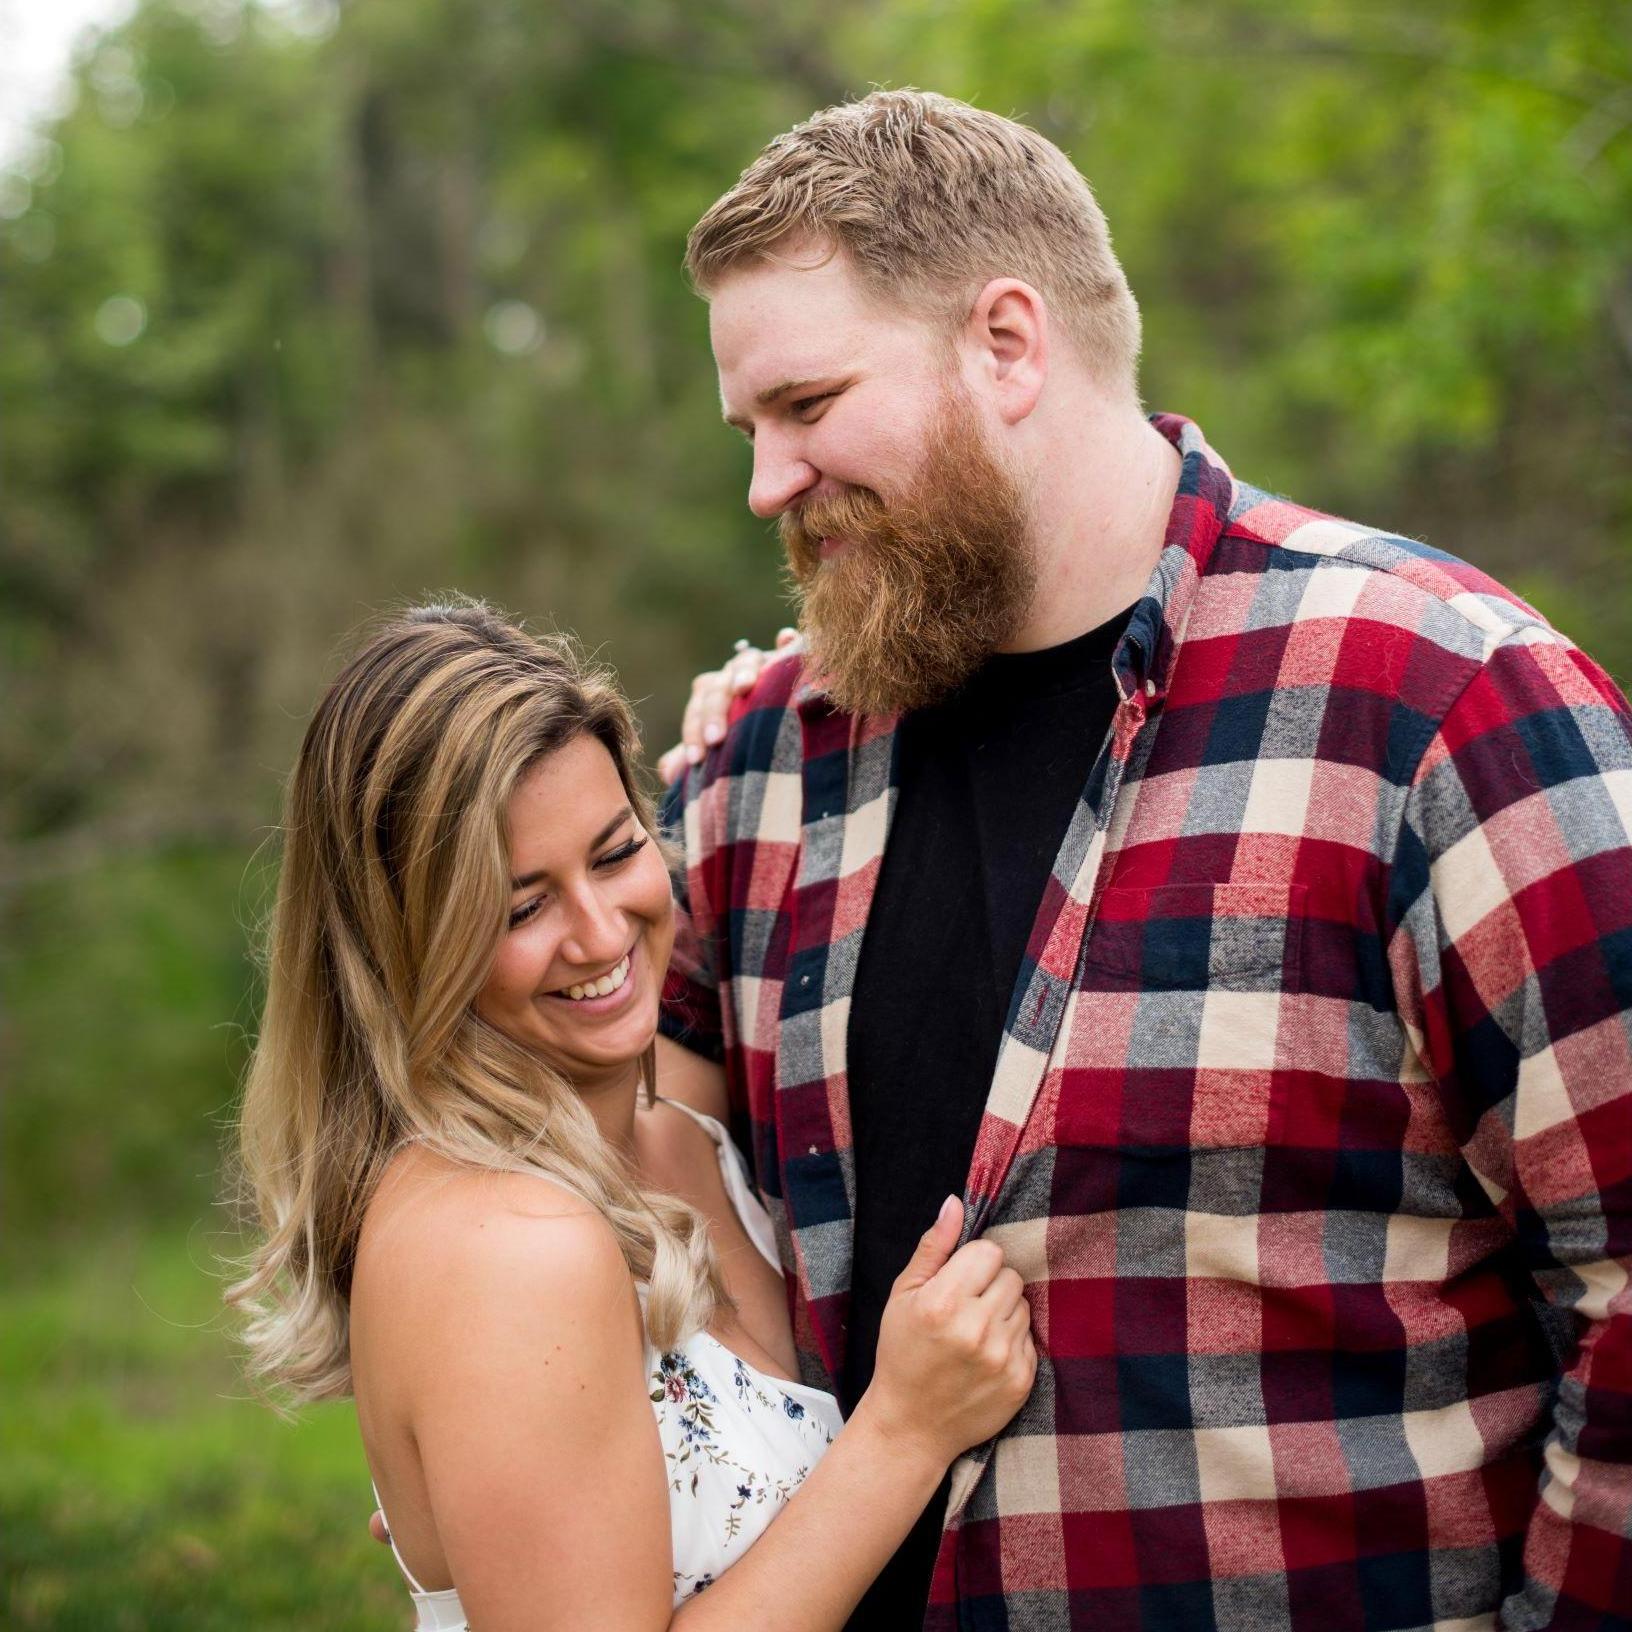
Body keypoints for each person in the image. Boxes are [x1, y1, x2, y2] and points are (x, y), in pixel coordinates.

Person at [652, 90, 1632, 1630]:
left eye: (809, 404)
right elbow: (594, 1152)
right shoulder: (757, 768)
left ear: (1007, 345)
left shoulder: (1441, 702)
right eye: (750, 430)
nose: (767, 482)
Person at [228, 600, 1036, 1630]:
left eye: (614, 853)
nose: (601, 934)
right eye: (522, 907)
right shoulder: (504, 1247)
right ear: (403, 949)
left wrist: (771, 698)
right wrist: (906, 1433)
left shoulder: (678, 1131)